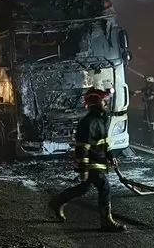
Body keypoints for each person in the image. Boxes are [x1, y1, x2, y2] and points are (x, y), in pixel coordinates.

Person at [48, 88, 127, 232]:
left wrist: (111, 157)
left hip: (100, 161)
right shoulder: (87, 123)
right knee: (104, 187)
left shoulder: (101, 119)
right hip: (92, 164)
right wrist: (83, 169)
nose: (106, 104)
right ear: (94, 103)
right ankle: (106, 222)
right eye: (103, 101)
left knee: (83, 189)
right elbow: (81, 148)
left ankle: (57, 202)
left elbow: (104, 142)